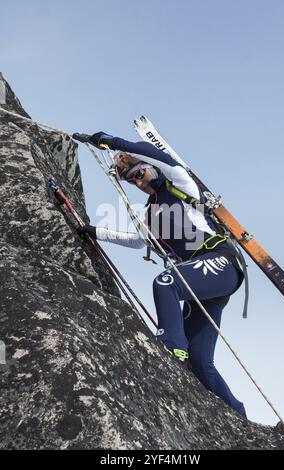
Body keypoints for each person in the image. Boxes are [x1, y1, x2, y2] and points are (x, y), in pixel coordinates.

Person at [73, 131, 246, 416]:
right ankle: (240, 418)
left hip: (221, 262)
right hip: (203, 281)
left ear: (147, 166)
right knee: (200, 362)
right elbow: (137, 241)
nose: (138, 182)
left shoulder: (180, 184)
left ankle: (170, 348)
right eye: (131, 180)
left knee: (165, 282)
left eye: (139, 173)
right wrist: (95, 232)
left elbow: (159, 157)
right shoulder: (151, 213)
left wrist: (109, 141)